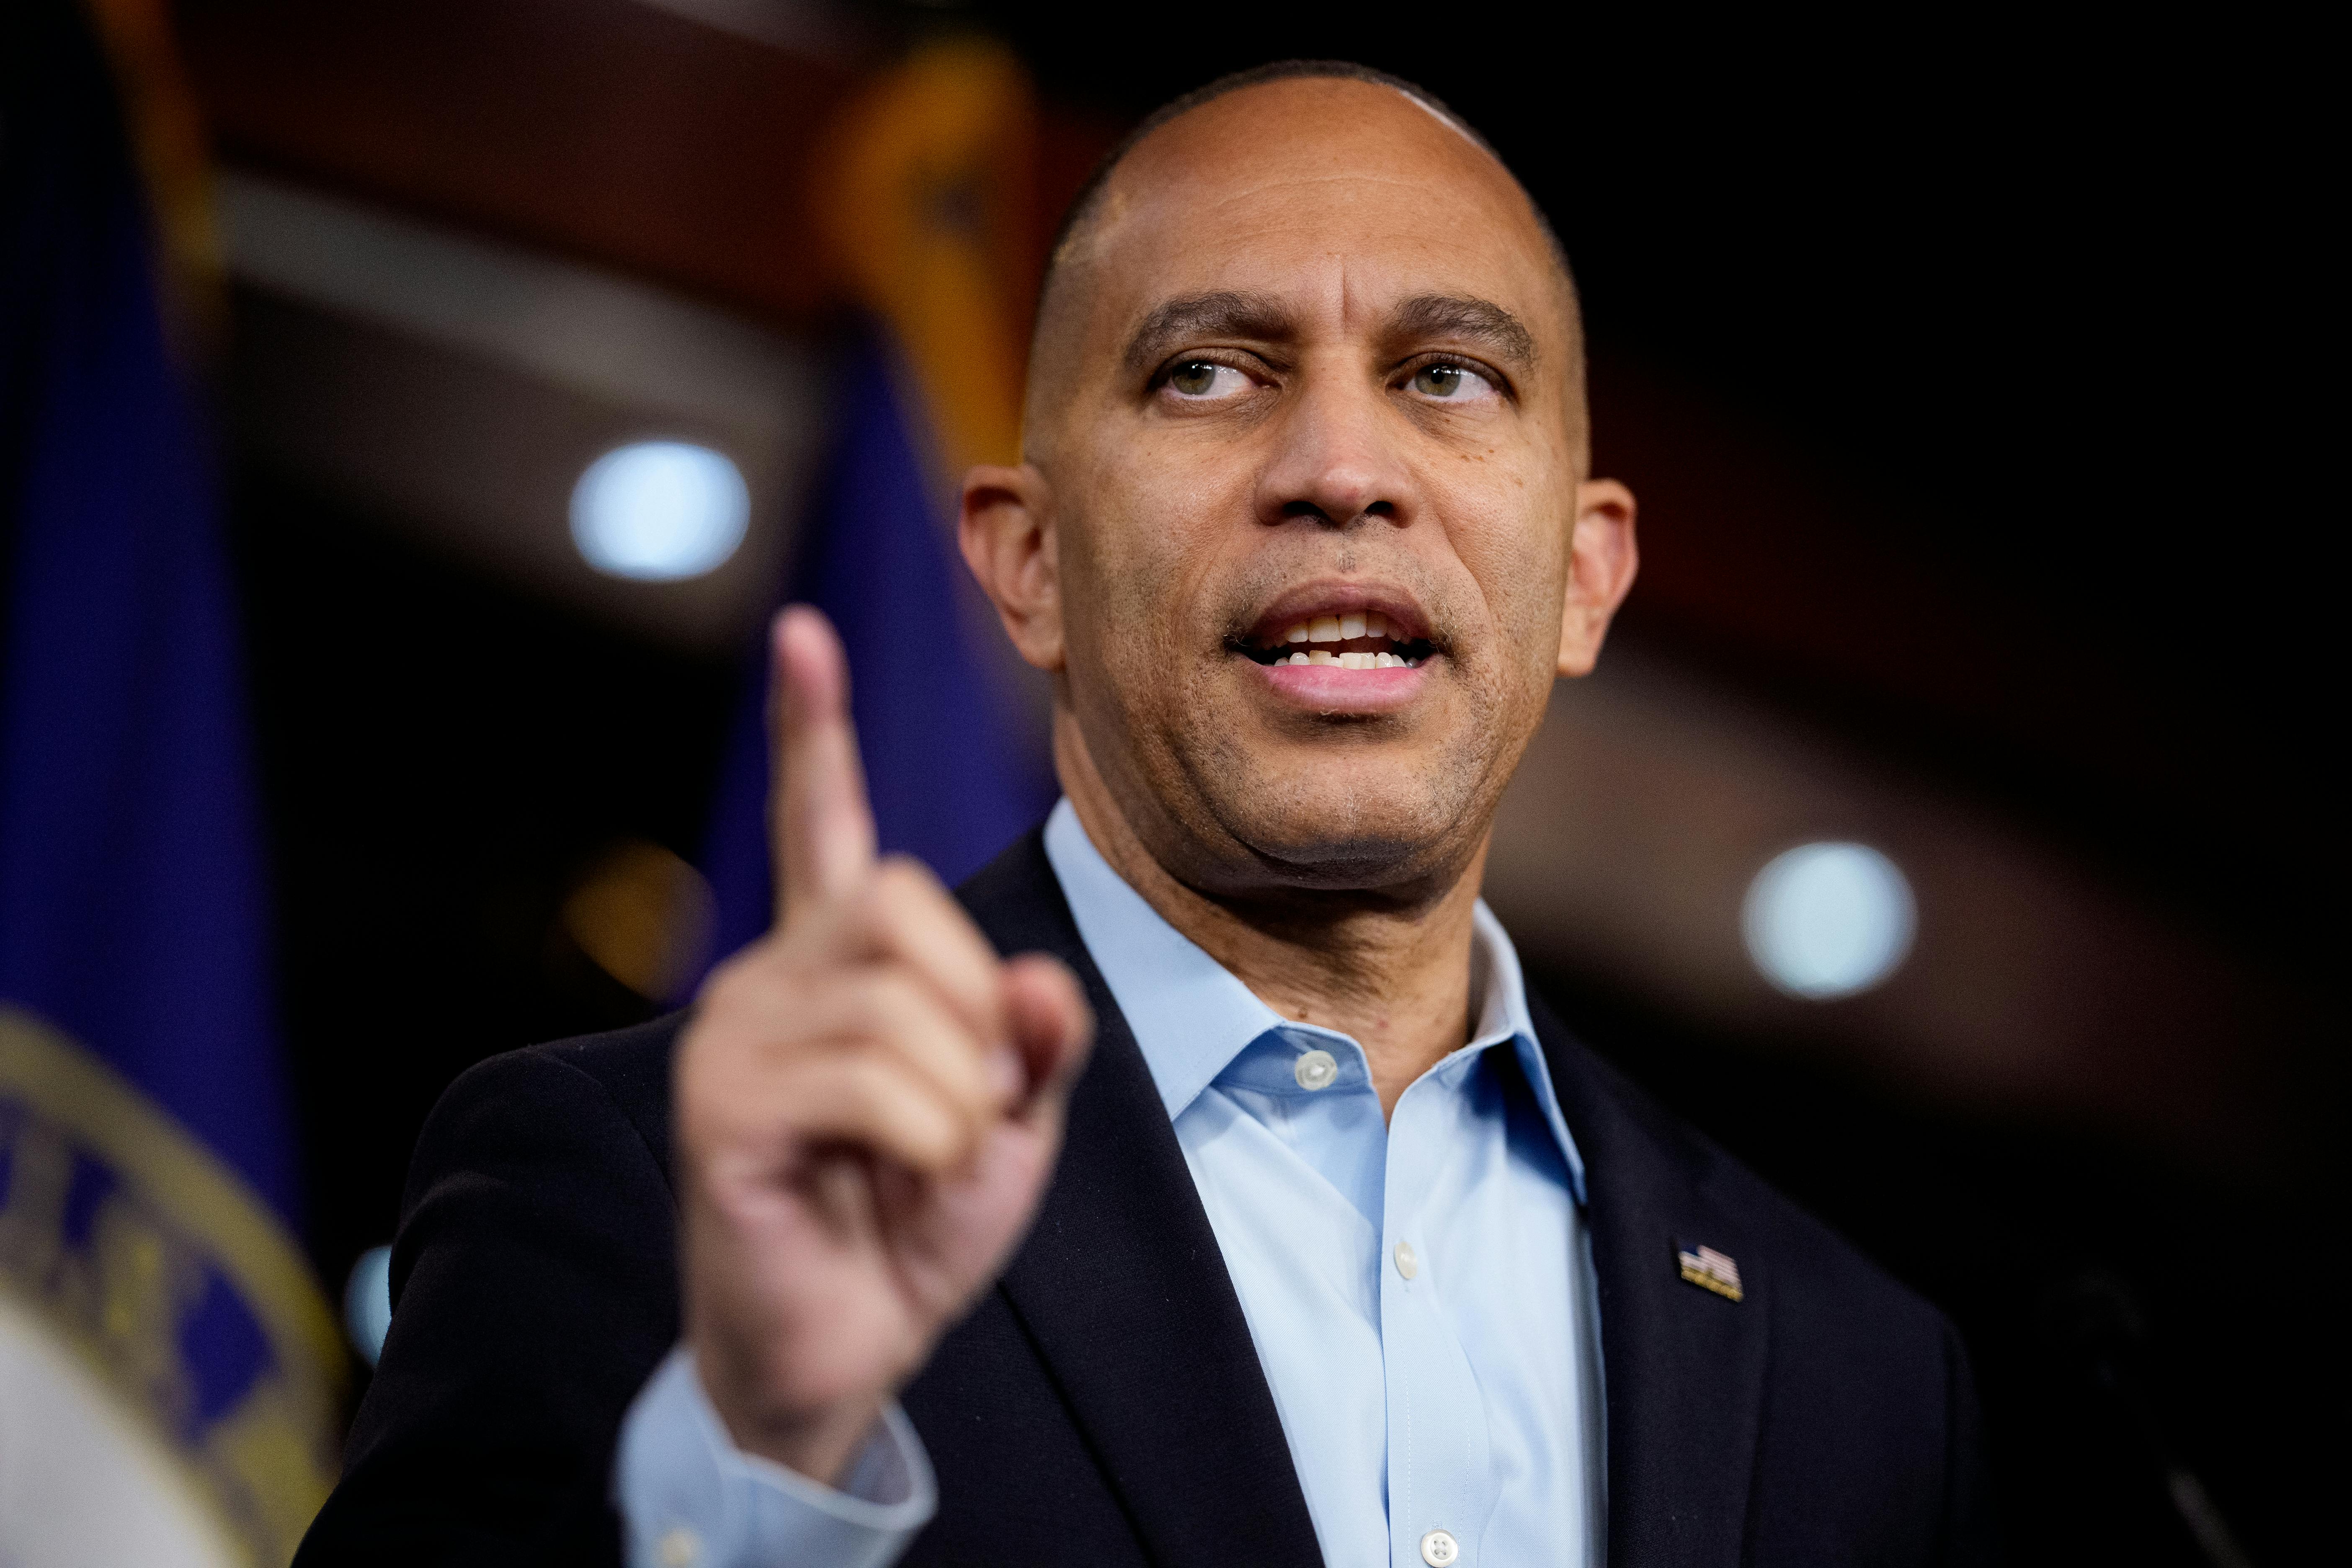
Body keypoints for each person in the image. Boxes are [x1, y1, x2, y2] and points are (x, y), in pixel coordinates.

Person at [295, 61, 1993, 1568]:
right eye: (1208, 372)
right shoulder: (640, 1182)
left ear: (1584, 573)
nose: (1341, 462)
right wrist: (757, 1472)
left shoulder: (1860, 1376)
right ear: (1028, 565)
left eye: (1450, 374)